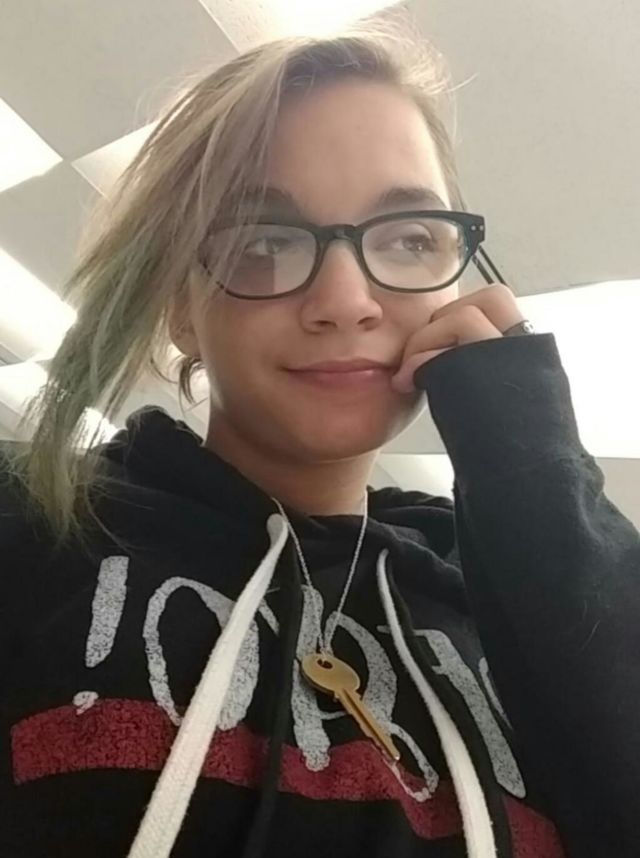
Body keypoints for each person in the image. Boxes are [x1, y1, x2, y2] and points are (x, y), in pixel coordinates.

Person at [1, 23, 639, 858]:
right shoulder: (35, 527)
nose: (346, 301)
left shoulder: (516, 585)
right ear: (182, 310)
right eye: (265, 243)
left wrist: (535, 468)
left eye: (409, 238)